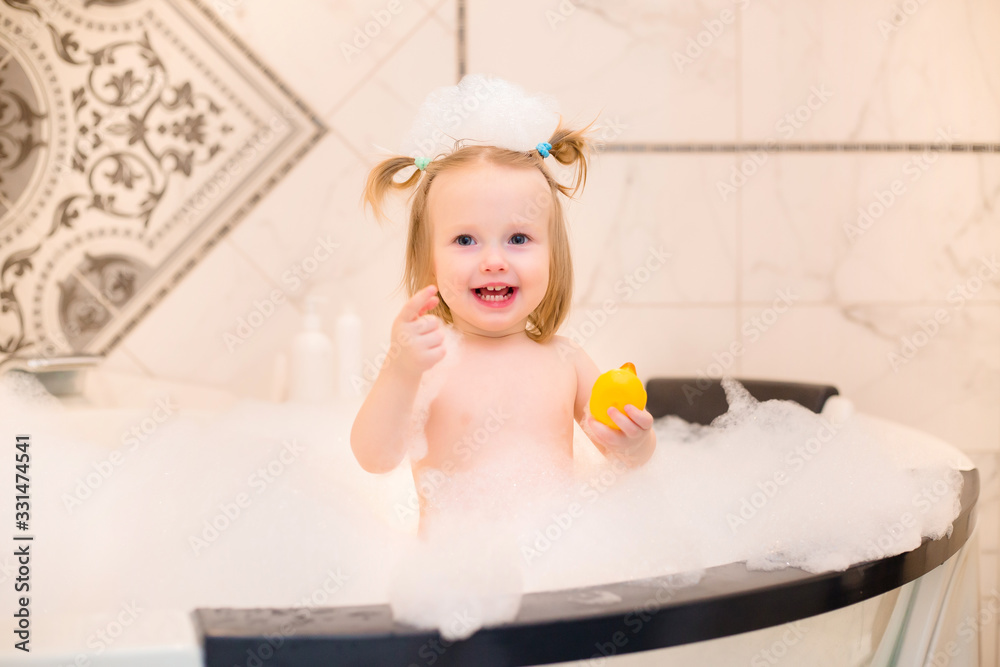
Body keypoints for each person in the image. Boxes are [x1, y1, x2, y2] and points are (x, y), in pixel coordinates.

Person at [350, 75, 656, 527]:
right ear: (429, 261)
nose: (494, 260)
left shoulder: (565, 360)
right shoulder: (427, 364)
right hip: (454, 580)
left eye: (518, 237)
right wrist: (400, 369)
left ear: (553, 256)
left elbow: (628, 461)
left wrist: (634, 445)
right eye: (465, 239)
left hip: (558, 569)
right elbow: (374, 458)